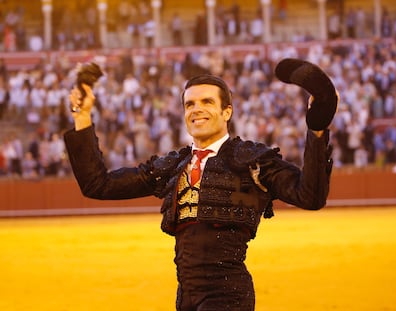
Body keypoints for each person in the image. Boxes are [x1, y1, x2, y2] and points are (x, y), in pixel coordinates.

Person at [64, 59, 337, 310]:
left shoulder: (252, 161)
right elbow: (98, 185)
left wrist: (317, 129)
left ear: (226, 111)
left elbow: (310, 196)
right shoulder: (173, 166)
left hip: (227, 296)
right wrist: (82, 116)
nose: (196, 109)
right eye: (189, 104)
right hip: (186, 297)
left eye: (207, 101)